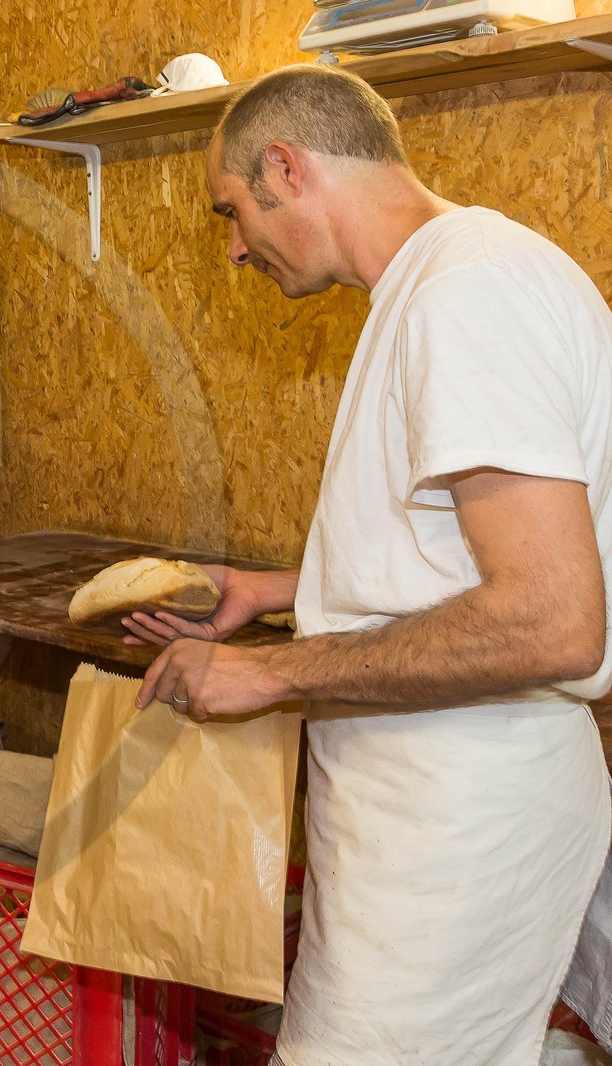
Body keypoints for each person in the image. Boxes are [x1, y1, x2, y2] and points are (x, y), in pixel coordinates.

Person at [122, 65, 612, 1064]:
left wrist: (271, 669)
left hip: (455, 832)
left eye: (232, 208)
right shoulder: (450, 279)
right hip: (437, 811)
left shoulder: (464, 292)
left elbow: (553, 618)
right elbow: (444, 555)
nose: (231, 245)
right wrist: (268, 594)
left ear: (287, 168)